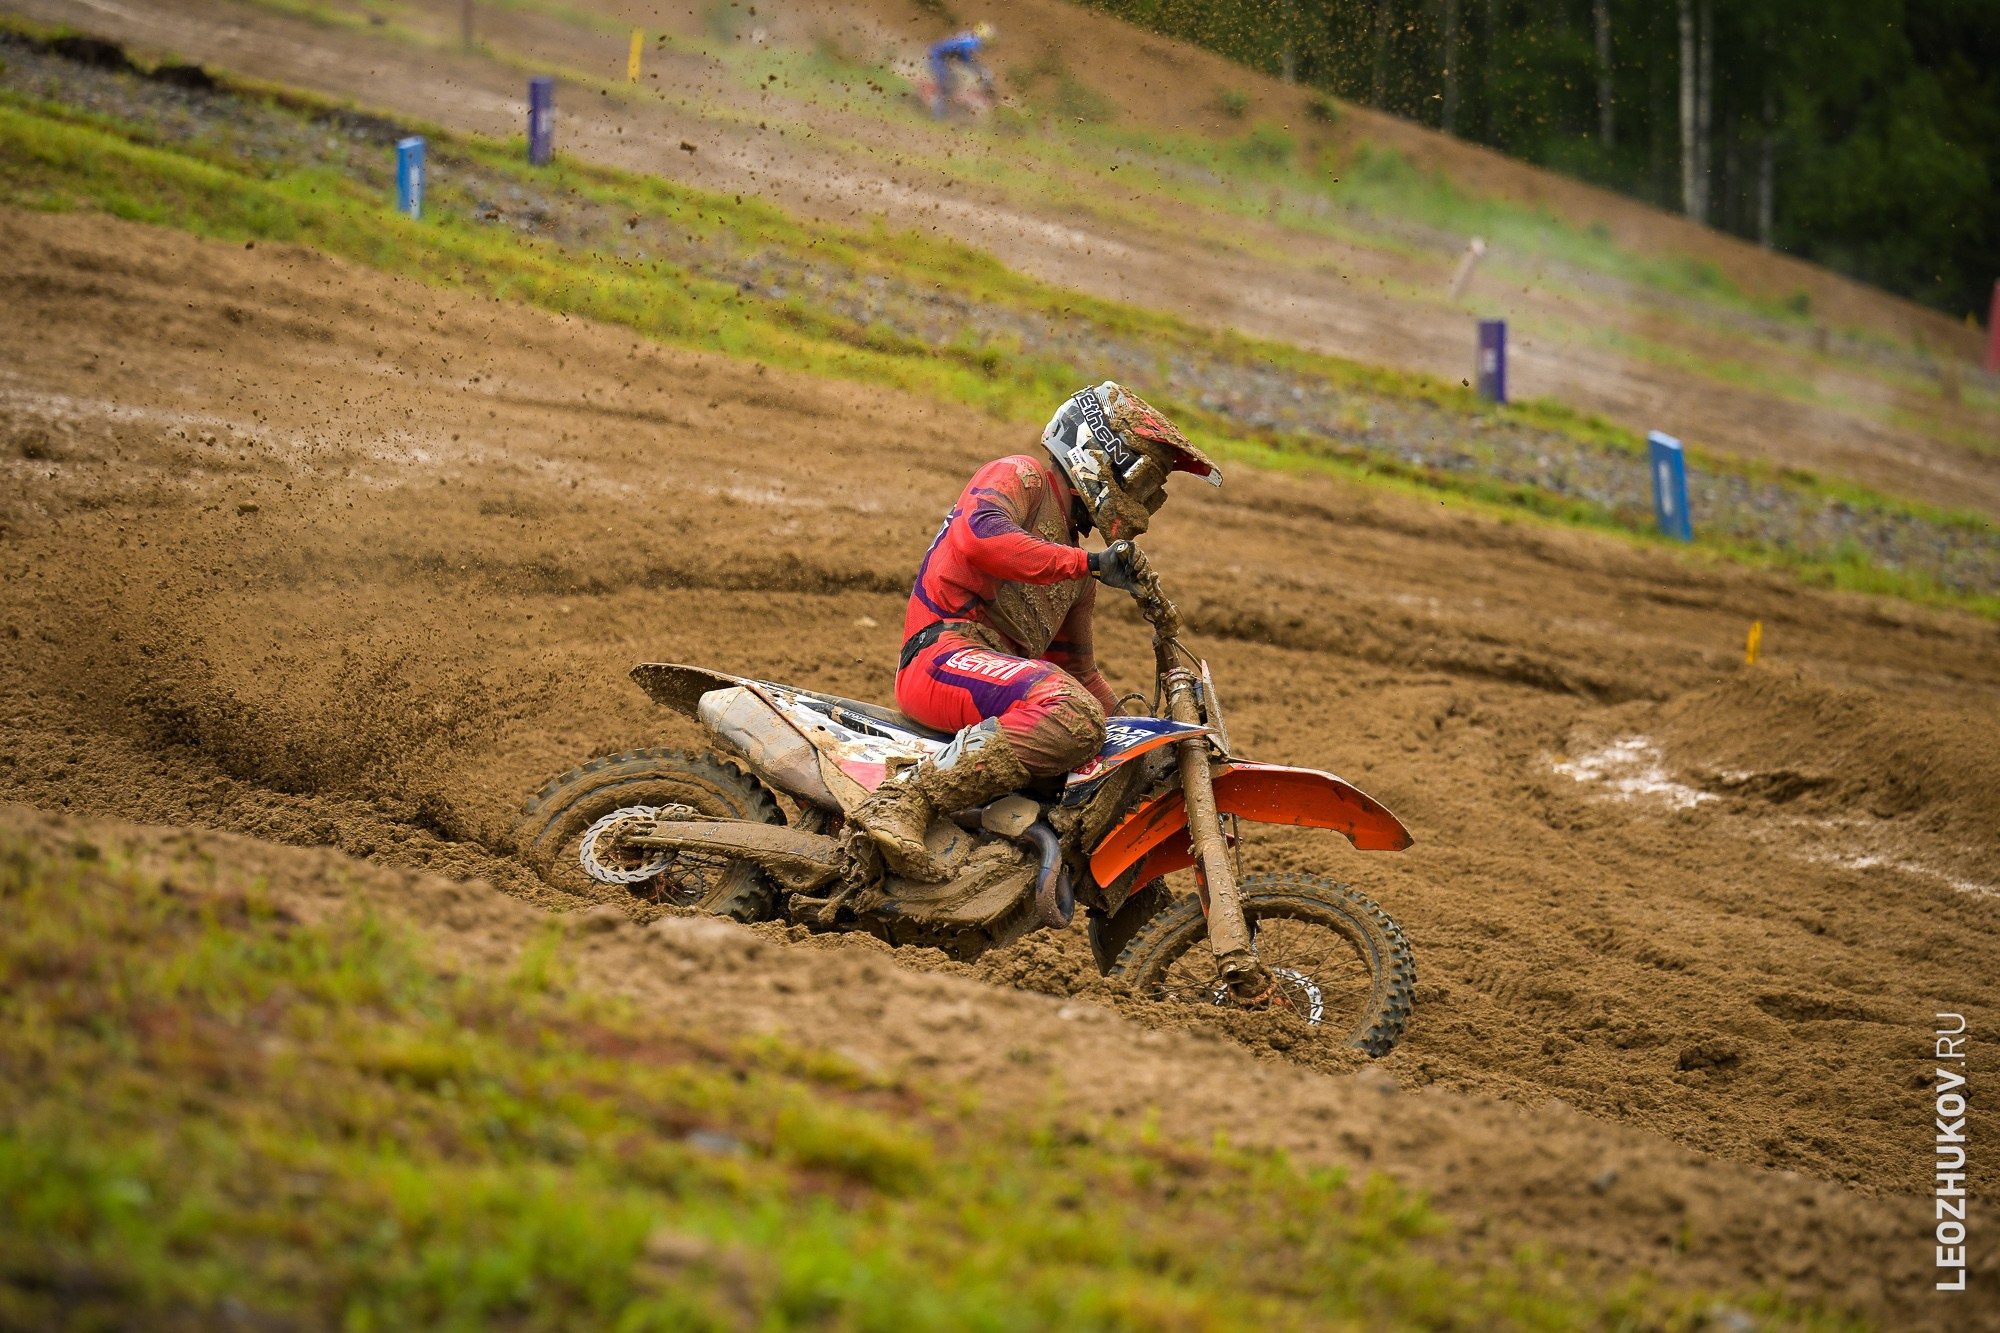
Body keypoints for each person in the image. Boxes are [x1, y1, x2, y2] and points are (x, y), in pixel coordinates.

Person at [854, 382, 1221, 881]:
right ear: (1101, 453)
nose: (1147, 501)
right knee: (1070, 715)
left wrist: (1136, 736)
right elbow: (982, 539)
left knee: (1090, 720)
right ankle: (904, 801)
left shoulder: (1076, 572)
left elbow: (1080, 672)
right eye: (1143, 480)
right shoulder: (1020, 476)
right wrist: (1087, 563)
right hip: (941, 654)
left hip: (989, 676)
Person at [926, 22, 995, 119]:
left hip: (938, 55)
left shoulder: (970, 37)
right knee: (946, 85)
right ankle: (938, 116)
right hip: (937, 57)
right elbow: (967, 59)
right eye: (989, 38)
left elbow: (962, 56)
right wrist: (983, 76)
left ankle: (944, 113)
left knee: (952, 83)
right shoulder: (973, 42)